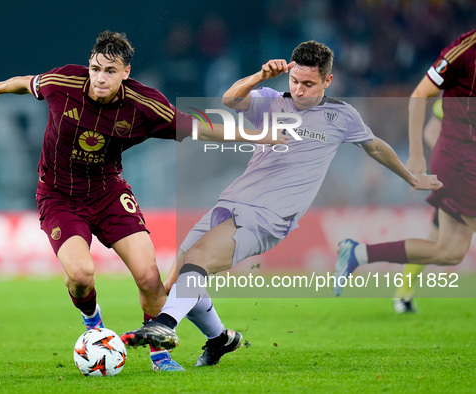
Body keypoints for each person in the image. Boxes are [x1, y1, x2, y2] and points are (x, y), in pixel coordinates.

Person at [0, 31, 282, 372]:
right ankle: (93, 324)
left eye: (109, 71)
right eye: (95, 68)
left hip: (108, 192)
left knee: (150, 278)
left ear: (126, 73)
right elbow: (26, 82)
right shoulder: (63, 82)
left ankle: (159, 356)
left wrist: (255, 134)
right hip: (59, 196)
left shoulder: (144, 104)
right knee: (80, 275)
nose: (100, 77)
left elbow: (199, 128)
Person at [120, 41, 442, 366]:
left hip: (269, 216)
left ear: (327, 82)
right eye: (295, 81)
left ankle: (166, 325)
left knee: (199, 260)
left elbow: (375, 148)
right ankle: (220, 339)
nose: (299, 91)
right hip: (232, 200)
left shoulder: (341, 115)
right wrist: (260, 76)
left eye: (309, 84)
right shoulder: (273, 101)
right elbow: (230, 98)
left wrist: (410, 176)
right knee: (177, 280)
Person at [333, 29, 476, 299]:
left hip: (464, 160)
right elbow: (420, 95)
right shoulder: (463, 52)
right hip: (460, 162)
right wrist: (416, 153)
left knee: (450, 251)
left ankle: (358, 253)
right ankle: (402, 292)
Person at [393, 98, 442, 313]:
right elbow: (431, 131)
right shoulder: (458, 95)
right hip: (464, 179)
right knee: (436, 240)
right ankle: (403, 293)